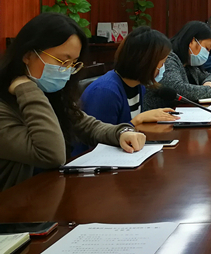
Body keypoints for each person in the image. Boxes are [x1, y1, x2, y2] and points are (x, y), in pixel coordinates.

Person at [0, 13, 146, 191]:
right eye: (62, 61)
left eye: (73, 63)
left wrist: (121, 133)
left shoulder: (50, 93)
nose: (67, 71)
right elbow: (51, 154)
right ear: (28, 55)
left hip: (50, 192)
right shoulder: (13, 102)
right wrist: (26, 88)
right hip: (15, 202)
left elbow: (86, 125)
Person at [81, 27, 178, 126]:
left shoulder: (138, 86)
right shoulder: (105, 92)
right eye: (162, 63)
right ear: (145, 62)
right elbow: (103, 134)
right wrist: (140, 119)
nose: (162, 67)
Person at [143, 21, 211, 111]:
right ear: (192, 41)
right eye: (206, 48)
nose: (207, 54)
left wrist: (209, 83)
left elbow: (208, 75)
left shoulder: (189, 62)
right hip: (154, 115)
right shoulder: (168, 57)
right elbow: (176, 88)